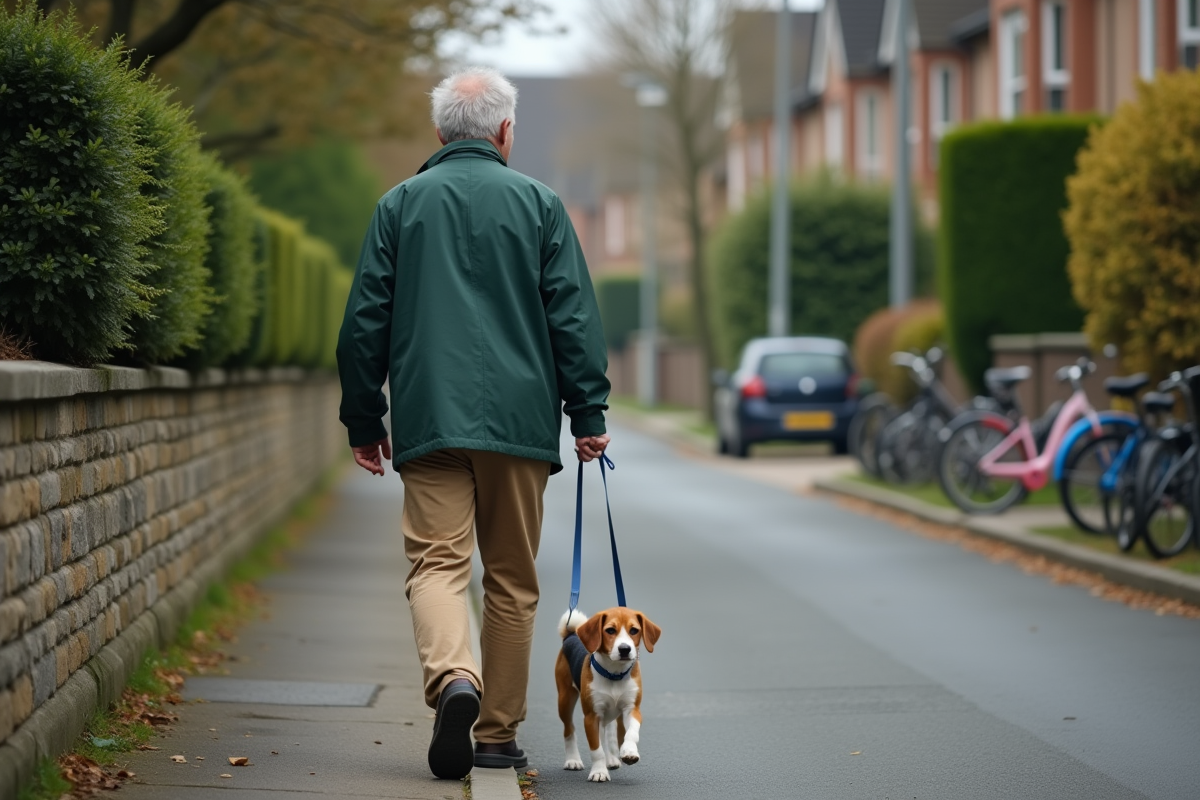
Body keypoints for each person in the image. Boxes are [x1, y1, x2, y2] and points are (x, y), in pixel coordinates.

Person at [336, 66, 611, 781]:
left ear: (439, 133)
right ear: (505, 131)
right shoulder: (542, 205)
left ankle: (455, 678)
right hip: (519, 423)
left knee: (436, 564)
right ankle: (495, 736)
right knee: (512, 581)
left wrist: (365, 418)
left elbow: (364, 322)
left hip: (429, 420)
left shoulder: (399, 206)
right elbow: (572, 316)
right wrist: (587, 411)